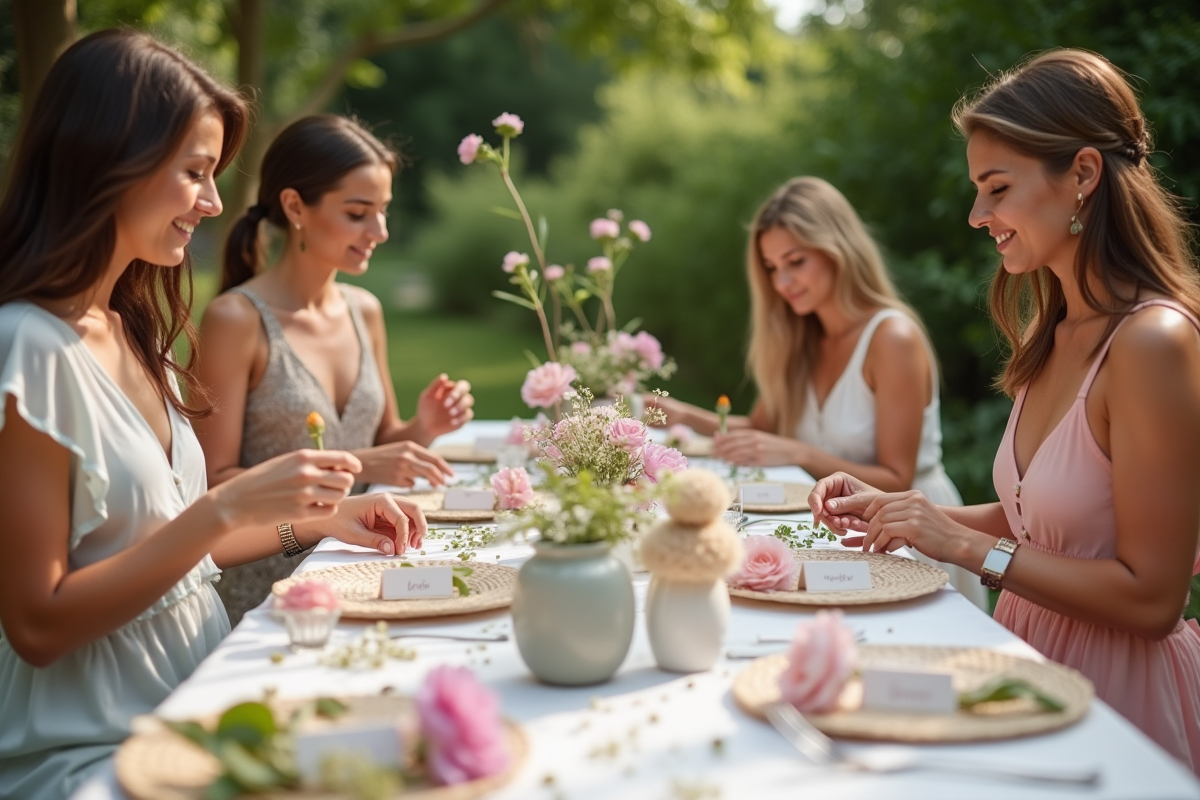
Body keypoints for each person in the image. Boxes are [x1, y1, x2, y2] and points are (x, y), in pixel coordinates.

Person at [0, 31, 427, 799]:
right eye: (195, 172)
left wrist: (326, 521)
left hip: (203, 710)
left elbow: (180, 548)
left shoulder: (137, 335)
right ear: (108, 161)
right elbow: (38, 626)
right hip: (97, 750)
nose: (216, 201)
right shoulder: (28, 349)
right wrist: (225, 504)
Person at [809, 49, 1200, 772]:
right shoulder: (1052, 334)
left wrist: (963, 549)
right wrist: (899, 510)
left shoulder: (1152, 343)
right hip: (1022, 665)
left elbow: (1152, 596)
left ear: (1082, 174)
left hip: (1117, 695)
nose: (976, 215)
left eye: (996, 188)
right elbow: (1044, 523)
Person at [651, 177, 983, 608]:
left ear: (837, 250)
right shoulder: (800, 339)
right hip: (844, 526)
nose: (782, 281)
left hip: (913, 529)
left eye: (795, 261)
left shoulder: (892, 337)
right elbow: (761, 430)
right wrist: (681, 415)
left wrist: (799, 453)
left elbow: (896, 477)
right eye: (771, 268)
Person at [194, 115, 475, 624]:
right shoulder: (236, 320)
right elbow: (213, 483)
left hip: (368, 579)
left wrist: (424, 428)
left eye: (383, 212)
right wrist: (361, 465)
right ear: (296, 206)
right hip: (271, 597)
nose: (380, 231)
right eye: (358, 213)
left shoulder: (364, 309)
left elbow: (384, 437)